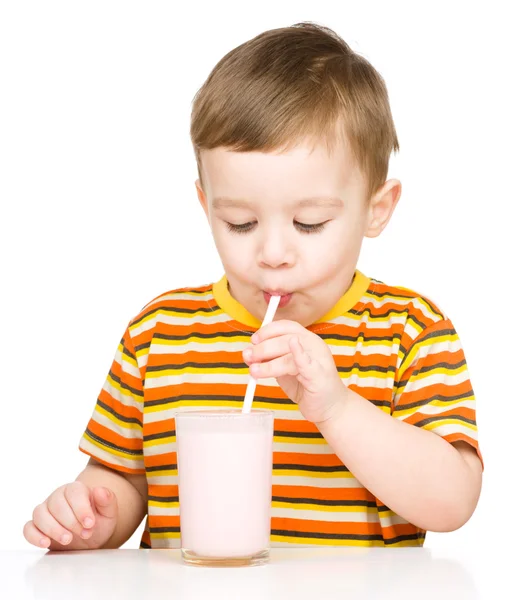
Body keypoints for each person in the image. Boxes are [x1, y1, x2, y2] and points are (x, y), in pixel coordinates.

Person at [23, 21, 483, 551]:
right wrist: (91, 516)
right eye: (240, 223)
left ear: (375, 210)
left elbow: (453, 503)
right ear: (206, 207)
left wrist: (336, 407)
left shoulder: (408, 330)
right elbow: (124, 479)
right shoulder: (161, 333)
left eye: (309, 223)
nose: (272, 254)